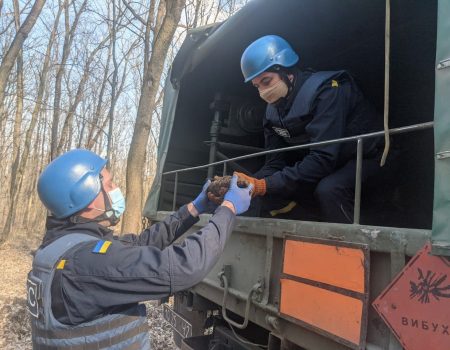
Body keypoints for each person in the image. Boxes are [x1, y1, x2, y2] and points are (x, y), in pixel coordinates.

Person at [27, 149, 252, 349]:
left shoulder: (60, 248)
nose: (116, 189)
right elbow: (184, 267)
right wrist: (228, 209)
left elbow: (140, 244)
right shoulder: (86, 263)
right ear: (85, 196)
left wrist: (194, 208)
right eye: (109, 184)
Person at [236, 35, 385, 223]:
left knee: (330, 190)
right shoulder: (272, 112)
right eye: (256, 86)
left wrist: (265, 184)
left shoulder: (328, 92)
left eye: (266, 81)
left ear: (287, 71)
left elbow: (323, 158)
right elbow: (274, 163)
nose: (262, 92)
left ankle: (355, 245)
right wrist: (246, 185)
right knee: (257, 193)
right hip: (330, 163)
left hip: (371, 156)